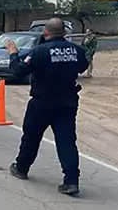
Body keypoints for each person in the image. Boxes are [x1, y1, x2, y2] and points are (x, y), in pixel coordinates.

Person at [6, 17, 89, 196]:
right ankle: (71, 181)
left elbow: (18, 71)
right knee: (66, 141)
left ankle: (21, 168)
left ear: (45, 32)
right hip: (67, 102)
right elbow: (83, 66)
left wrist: (13, 53)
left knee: (31, 137)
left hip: (42, 102)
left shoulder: (40, 51)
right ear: (64, 33)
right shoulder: (77, 50)